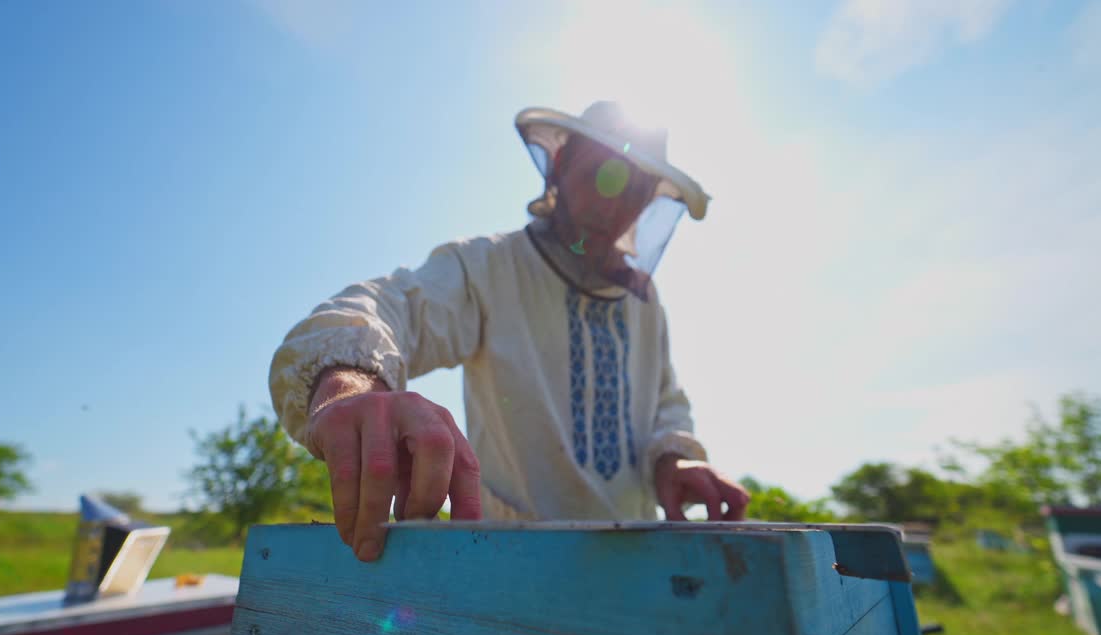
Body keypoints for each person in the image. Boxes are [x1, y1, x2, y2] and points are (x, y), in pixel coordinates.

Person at [270, 101, 749, 562]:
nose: (614, 203)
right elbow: (392, 305)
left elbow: (664, 400)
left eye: (634, 191)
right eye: (603, 176)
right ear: (559, 164)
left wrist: (674, 459)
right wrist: (350, 384)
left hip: (636, 557)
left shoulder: (645, 303)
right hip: (513, 561)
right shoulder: (488, 267)